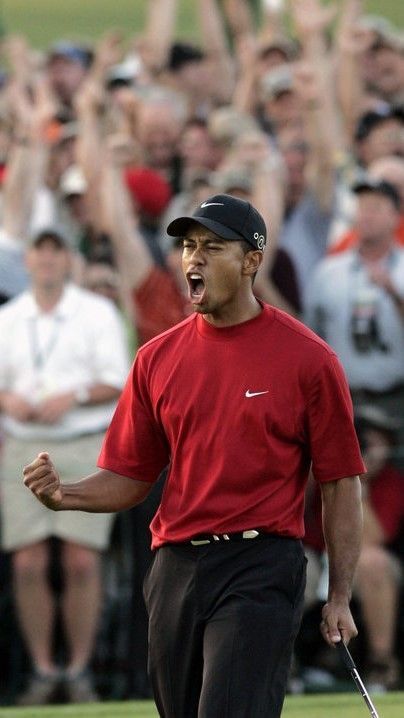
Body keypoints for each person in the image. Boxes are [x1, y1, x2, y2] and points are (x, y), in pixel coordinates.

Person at [23, 195, 365, 718]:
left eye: (212, 246)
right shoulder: (156, 359)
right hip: (175, 568)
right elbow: (129, 477)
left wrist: (338, 594)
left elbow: (341, 481)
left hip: (260, 565)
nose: (193, 258)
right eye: (187, 246)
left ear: (252, 261)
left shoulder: (309, 358)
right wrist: (62, 495)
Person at [0, 228, 129, 705]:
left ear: (68, 261)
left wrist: (72, 395)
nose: (48, 260)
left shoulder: (96, 313)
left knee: (80, 559)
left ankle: (76, 670)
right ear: (29, 260)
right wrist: (8, 398)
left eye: (57, 251)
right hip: (24, 445)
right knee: (28, 561)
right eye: (41, 251)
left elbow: (117, 379)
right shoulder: (9, 317)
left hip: (81, 440)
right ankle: (42, 668)